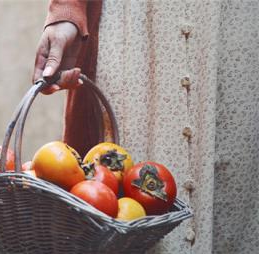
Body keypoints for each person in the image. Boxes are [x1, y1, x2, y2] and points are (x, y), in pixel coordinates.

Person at [33, 0, 259, 253]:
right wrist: (67, 11)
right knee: (121, 212)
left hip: (237, 26)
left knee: (236, 201)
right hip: (139, 27)